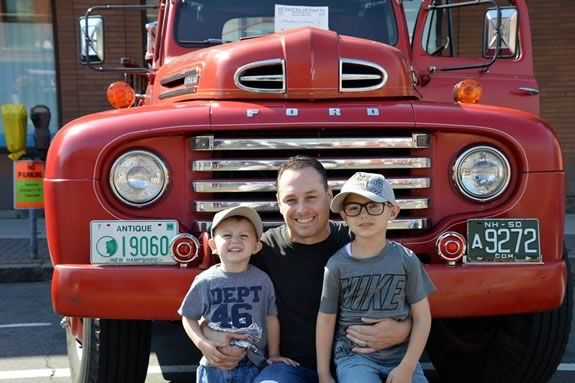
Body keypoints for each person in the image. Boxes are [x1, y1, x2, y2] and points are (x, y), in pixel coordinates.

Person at [203, 156, 413, 383]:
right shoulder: (260, 250)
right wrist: (210, 335)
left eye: (311, 197)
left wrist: (403, 328)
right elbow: (211, 296)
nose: (301, 209)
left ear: (329, 196)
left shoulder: (358, 242)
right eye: (291, 199)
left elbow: (409, 298)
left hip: (359, 363)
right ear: (278, 202)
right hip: (286, 367)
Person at [316, 172, 435, 383]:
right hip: (354, 357)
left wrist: (407, 367)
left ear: (393, 211)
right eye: (354, 208)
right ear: (344, 217)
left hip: (402, 358)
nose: (364, 215)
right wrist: (324, 374)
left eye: (374, 205)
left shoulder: (406, 260)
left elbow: (423, 317)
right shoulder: (336, 266)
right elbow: (326, 321)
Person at [178, 206, 298, 383]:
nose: (235, 241)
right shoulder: (205, 281)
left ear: (256, 246)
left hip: (253, 365)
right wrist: (202, 343)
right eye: (226, 235)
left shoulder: (262, 281)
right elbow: (188, 317)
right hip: (214, 367)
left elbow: (270, 318)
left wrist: (274, 354)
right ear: (212, 245)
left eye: (244, 236)